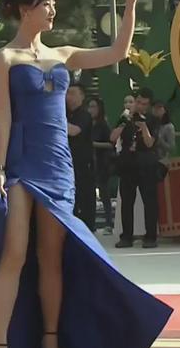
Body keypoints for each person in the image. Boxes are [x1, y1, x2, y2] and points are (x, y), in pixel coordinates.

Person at [0, 0, 173, 348]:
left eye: (54, 4)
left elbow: (118, 51)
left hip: (58, 167)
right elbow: (2, 119)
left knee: (51, 258)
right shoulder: (4, 58)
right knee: (14, 254)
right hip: (20, 167)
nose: (53, 11)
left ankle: (51, 344)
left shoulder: (64, 54)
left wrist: (131, 4)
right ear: (25, 9)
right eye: (46, 4)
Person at [111, 87, 161, 249]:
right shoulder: (125, 117)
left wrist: (144, 127)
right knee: (127, 201)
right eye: (138, 102)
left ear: (149, 105)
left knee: (150, 201)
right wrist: (123, 122)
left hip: (146, 163)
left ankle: (151, 236)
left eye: (144, 104)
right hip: (127, 163)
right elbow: (112, 137)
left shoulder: (153, 119)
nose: (140, 106)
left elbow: (150, 143)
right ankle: (126, 236)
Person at [66, 83, 96, 231]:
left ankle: (88, 228)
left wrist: (56, 119)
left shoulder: (84, 115)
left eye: (73, 93)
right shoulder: (65, 113)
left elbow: (74, 131)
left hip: (83, 164)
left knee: (85, 197)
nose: (69, 97)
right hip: (67, 163)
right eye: (67, 93)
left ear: (82, 96)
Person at [87, 97, 114, 233]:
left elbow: (111, 144)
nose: (91, 110)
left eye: (94, 107)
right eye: (89, 107)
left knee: (104, 193)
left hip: (102, 162)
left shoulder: (103, 125)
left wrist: (94, 144)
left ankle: (109, 222)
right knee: (89, 194)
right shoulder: (87, 124)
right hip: (89, 162)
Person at [153, 100, 176, 180]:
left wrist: (160, 140)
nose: (157, 110)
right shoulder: (152, 124)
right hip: (151, 160)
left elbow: (171, 147)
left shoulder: (169, 127)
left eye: (159, 107)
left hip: (162, 162)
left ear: (165, 110)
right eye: (155, 108)